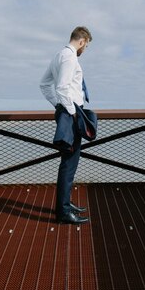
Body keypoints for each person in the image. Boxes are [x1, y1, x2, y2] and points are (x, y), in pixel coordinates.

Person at [40, 26, 92, 225]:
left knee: (68, 162)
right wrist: (71, 113)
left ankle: (66, 204)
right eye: (85, 46)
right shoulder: (70, 58)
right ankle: (63, 213)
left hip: (66, 112)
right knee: (69, 164)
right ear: (82, 41)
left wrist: (58, 105)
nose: (84, 50)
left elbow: (44, 84)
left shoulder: (58, 56)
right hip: (71, 114)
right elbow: (61, 87)